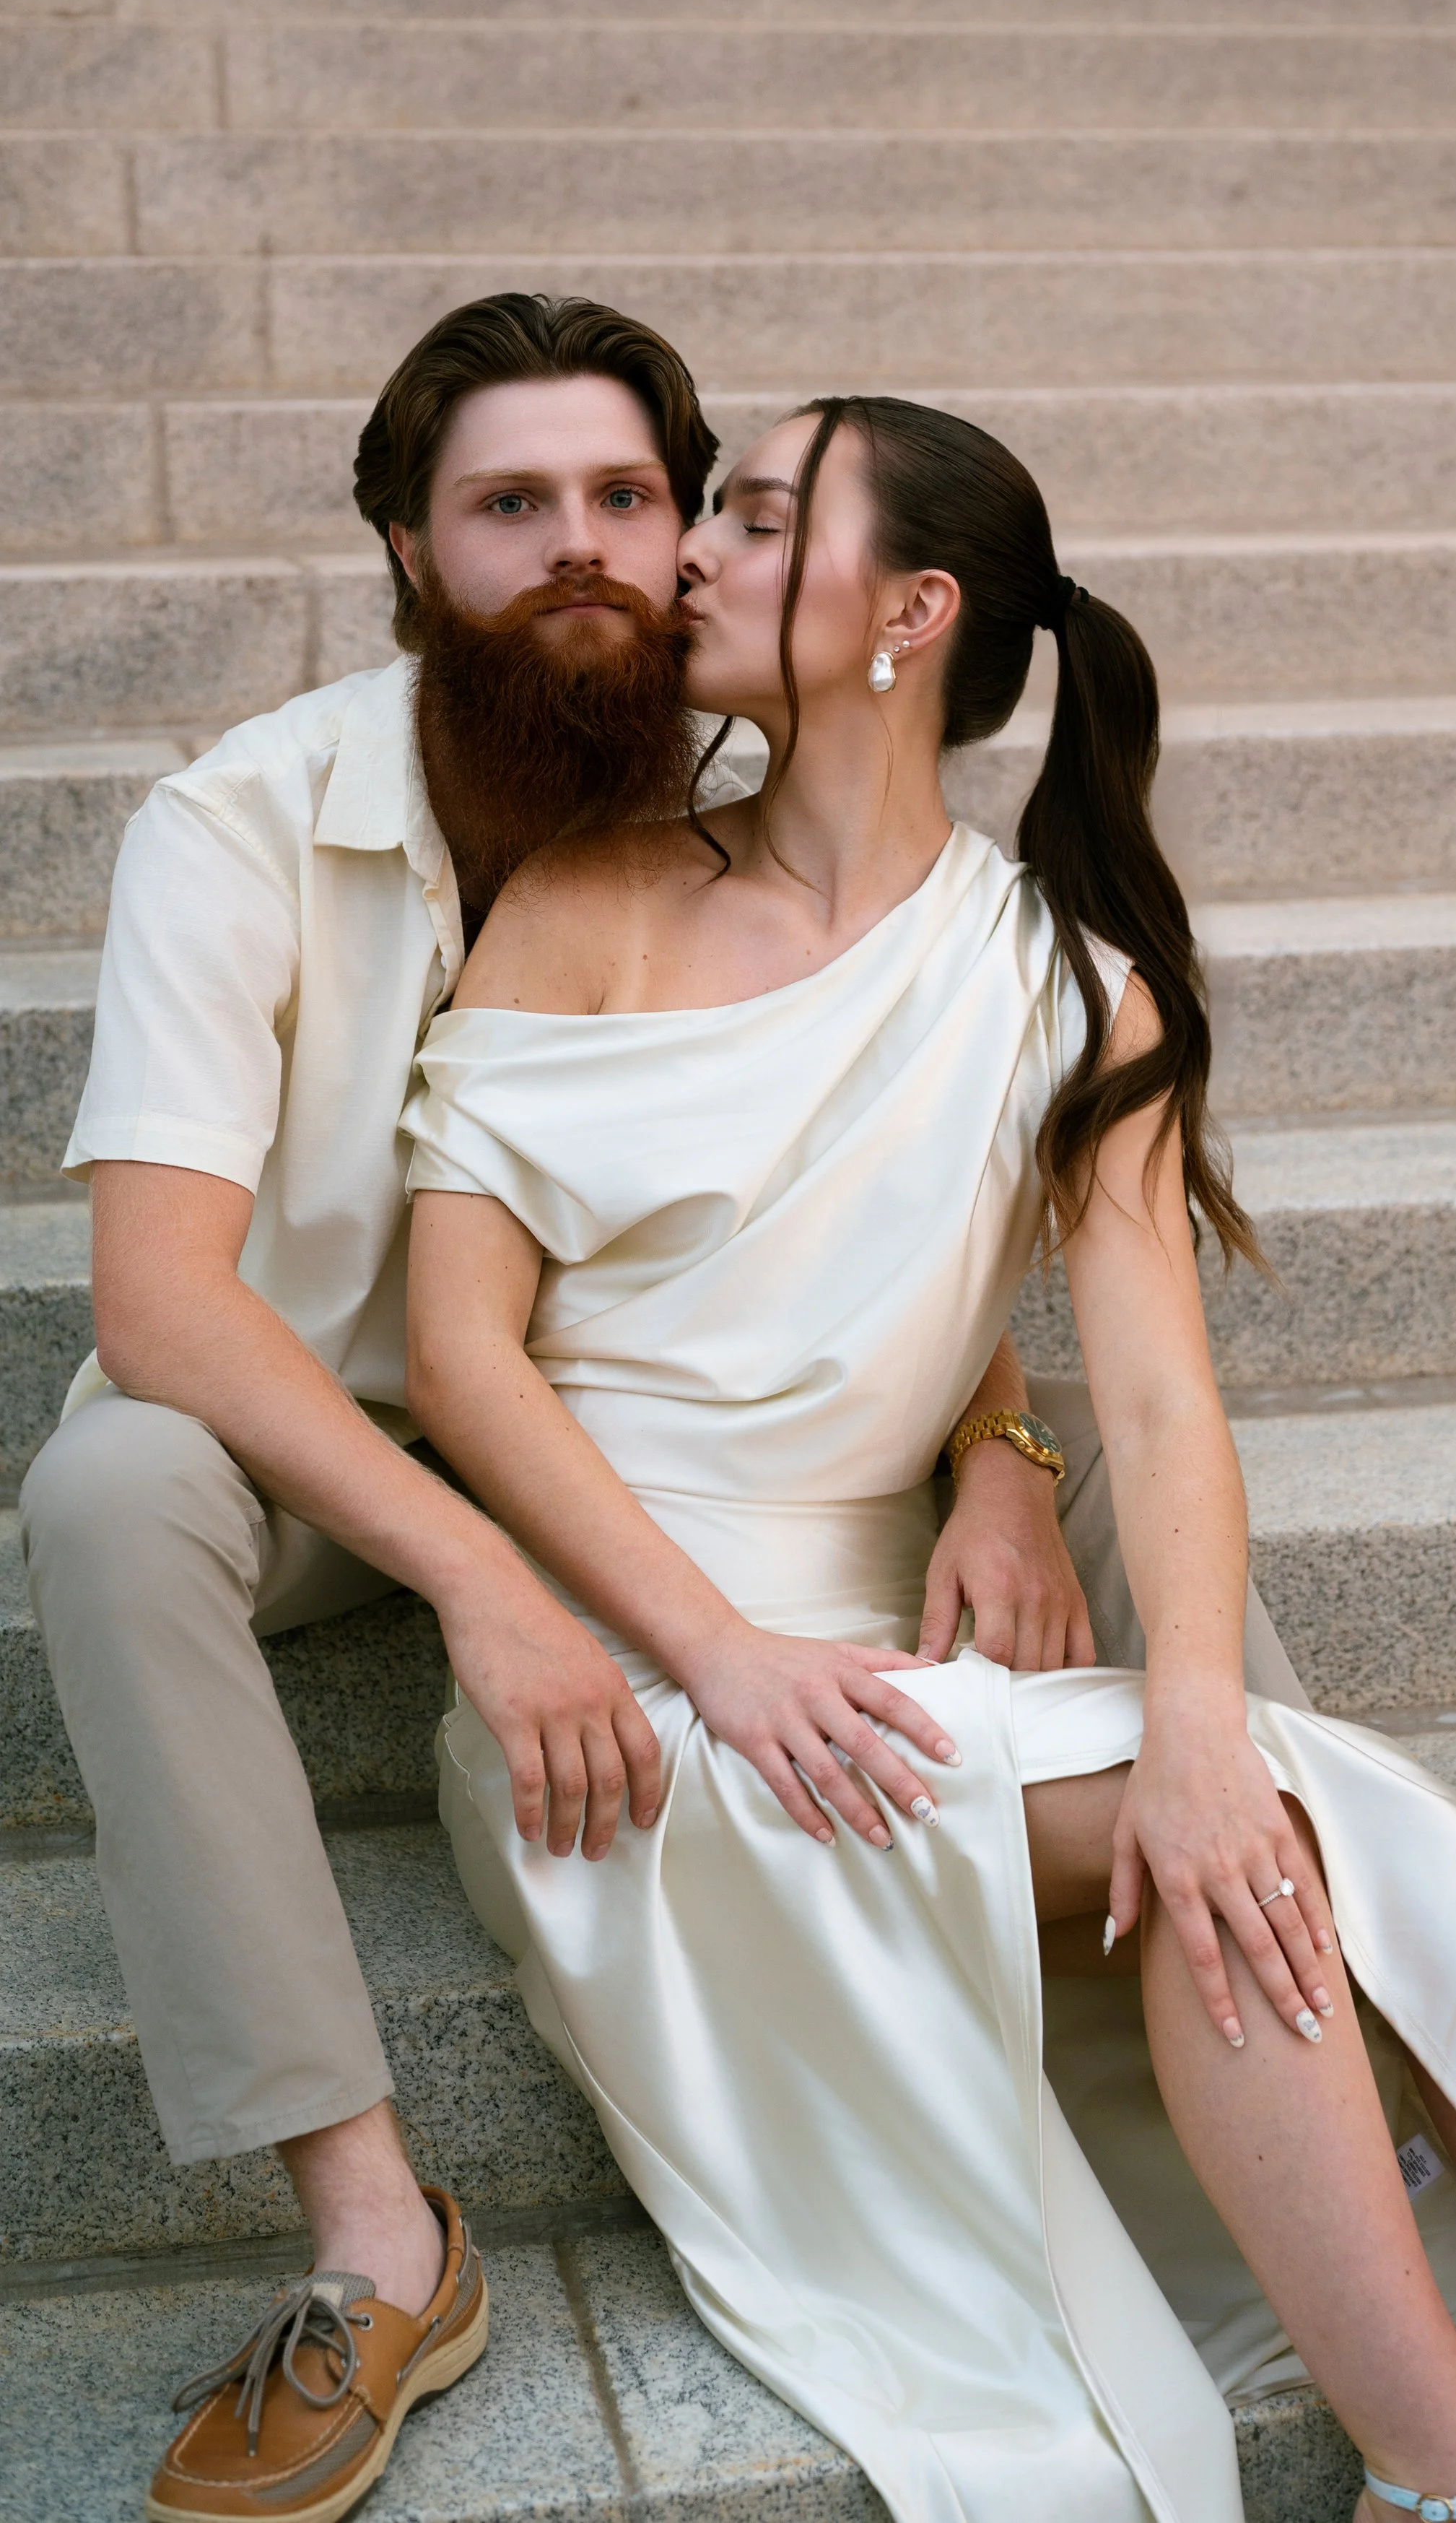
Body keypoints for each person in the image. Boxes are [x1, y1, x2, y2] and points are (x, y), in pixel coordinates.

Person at [401, 395, 1456, 2523]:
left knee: (1251, 1825)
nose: (687, 551)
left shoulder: (1072, 986)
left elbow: (1157, 1407)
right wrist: (722, 1648)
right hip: (643, 1720)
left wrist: (1188, 1717)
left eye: (759, 519)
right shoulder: (584, 904)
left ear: (912, 612)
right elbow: (457, 1353)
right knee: (1309, 1829)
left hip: (889, 1706)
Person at [19, 296, 1088, 2523]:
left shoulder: (757, 784)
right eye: (513, 504)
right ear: (409, 546)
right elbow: (160, 1299)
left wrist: (1005, 1441)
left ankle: (1417, 2036)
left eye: (633, 496)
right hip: (335, 1451)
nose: (587, 547)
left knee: (1125, 1498)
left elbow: (889, 1180)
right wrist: (483, 1581)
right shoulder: (239, 825)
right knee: (111, 1486)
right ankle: (375, 2240)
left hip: (667, 1435)